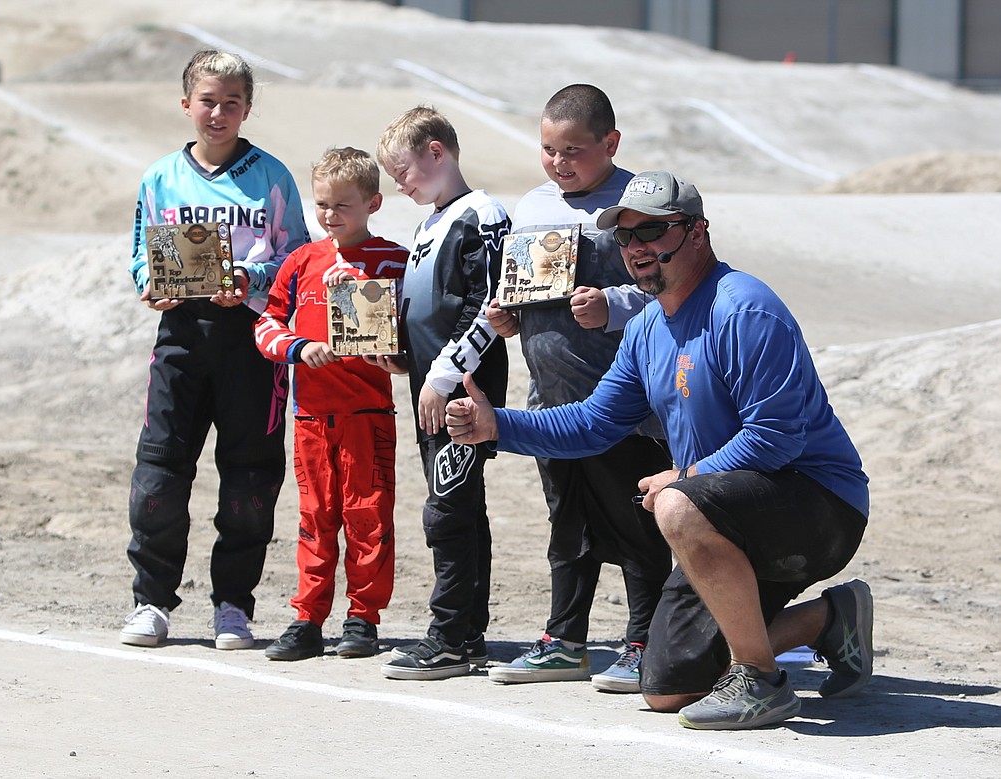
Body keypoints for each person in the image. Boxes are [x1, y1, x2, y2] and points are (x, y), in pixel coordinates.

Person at [446, 170, 873, 730]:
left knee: (676, 505)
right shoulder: (647, 327)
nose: (636, 249)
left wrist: (686, 478)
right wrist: (495, 426)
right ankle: (828, 620)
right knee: (669, 686)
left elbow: (776, 437)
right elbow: (595, 423)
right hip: (725, 514)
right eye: (625, 237)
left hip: (819, 505)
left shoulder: (745, 308)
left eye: (652, 231)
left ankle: (763, 683)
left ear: (697, 232)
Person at [119, 50, 310, 650]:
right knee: (160, 470)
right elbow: (139, 254)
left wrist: (251, 283)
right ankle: (151, 601)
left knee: (250, 475)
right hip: (180, 337)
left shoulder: (272, 176)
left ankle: (233, 604)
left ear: (247, 108)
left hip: (251, 341)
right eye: (208, 100)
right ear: (186, 105)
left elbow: (297, 258)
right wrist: (149, 285)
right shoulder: (159, 178)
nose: (219, 112)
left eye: (232, 102)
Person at [484, 84, 672, 692]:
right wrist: (510, 313)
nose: (559, 162)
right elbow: (521, 283)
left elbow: (672, 289)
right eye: (547, 149)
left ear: (611, 144)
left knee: (639, 525)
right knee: (568, 527)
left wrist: (612, 305)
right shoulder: (534, 205)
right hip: (550, 404)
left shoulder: (637, 203)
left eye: (574, 149)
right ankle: (565, 639)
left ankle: (645, 640)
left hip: (625, 409)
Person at [252, 147, 409, 661]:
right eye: (322, 204)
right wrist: (300, 347)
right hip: (311, 417)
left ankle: (363, 617)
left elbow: (408, 333)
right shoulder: (301, 261)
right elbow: (267, 326)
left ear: (373, 203)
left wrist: (364, 291)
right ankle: (306, 618)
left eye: (343, 205)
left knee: (368, 516)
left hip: (368, 414)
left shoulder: (392, 259)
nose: (330, 215)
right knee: (315, 517)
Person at [373, 105, 511, 680]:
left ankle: (450, 636)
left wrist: (443, 375)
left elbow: (489, 303)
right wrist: (404, 356)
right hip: (432, 384)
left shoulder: (482, 214)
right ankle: (467, 633)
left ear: (437, 152)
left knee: (447, 509)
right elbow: (430, 306)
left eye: (403, 170)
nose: (399, 184)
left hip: (461, 390)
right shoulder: (429, 223)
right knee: (455, 503)